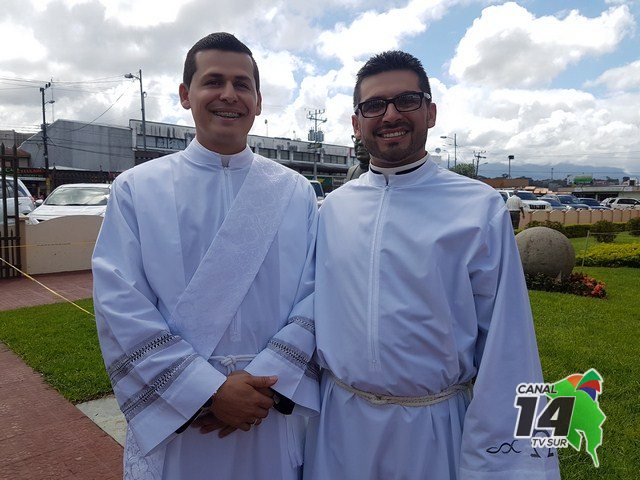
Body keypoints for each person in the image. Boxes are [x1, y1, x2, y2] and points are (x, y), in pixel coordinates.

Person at [304, 51, 560, 479]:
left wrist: (527, 465)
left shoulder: (479, 207)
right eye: (373, 105)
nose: (389, 114)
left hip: (434, 430)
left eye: (406, 100)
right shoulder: (332, 210)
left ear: (431, 112)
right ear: (355, 122)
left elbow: (513, 345)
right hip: (338, 427)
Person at [92, 32, 319, 480]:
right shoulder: (136, 189)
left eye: (242, 84)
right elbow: (120, 303)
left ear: (258, 101)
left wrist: (263, 387)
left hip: (269, 408)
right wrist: (205, 392)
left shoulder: (295, 191)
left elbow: (318, 293)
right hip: (183, 419)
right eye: (213, 81)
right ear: (185, 94)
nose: (229, 95)